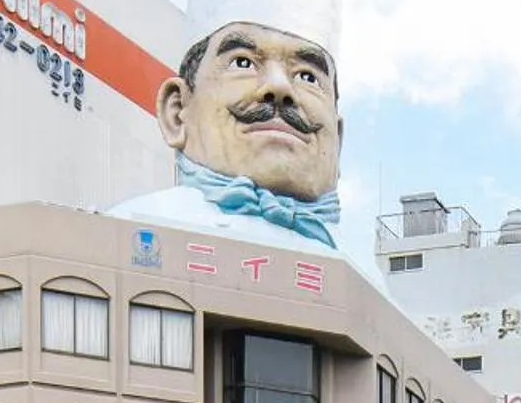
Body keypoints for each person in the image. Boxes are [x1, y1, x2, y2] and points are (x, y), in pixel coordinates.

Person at [110, 16, 348, 253]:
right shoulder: (127, 232)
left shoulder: (362, 276)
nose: (279, 86)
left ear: (337, 142)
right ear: (177, 111)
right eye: (243, 63)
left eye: (308, 77)